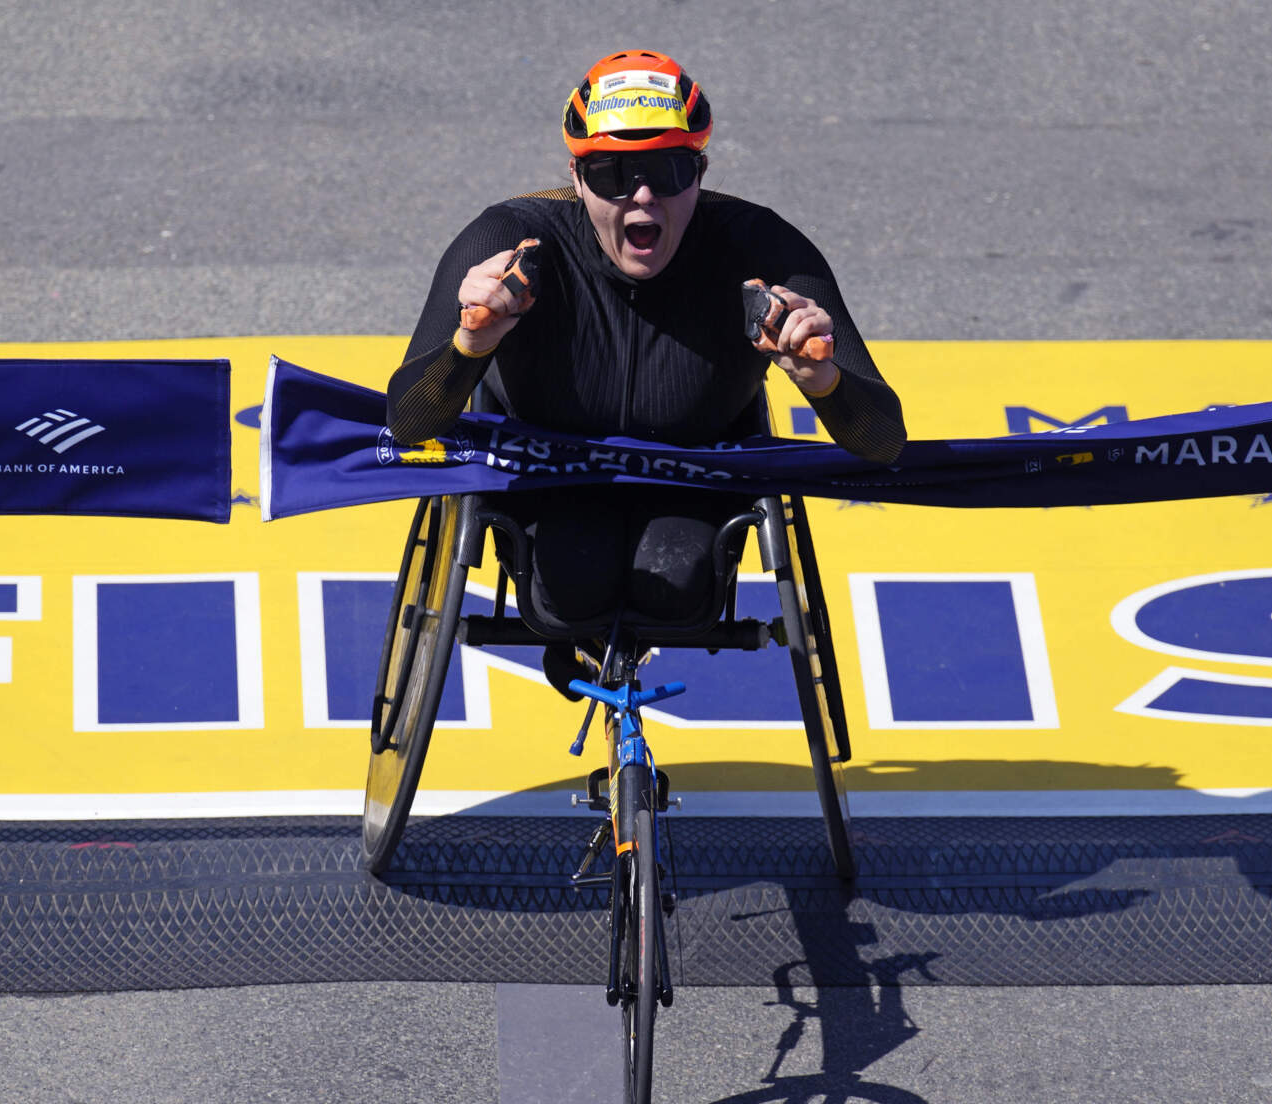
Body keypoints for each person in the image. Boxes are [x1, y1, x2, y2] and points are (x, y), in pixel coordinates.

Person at [386, 49, 905, 692]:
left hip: (693, 476)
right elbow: (408, 422)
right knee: (571, 589)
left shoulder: (764, 246)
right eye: (612, 173)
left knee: (678, 585)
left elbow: (883, 440)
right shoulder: (509, 235)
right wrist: (471, 343)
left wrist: (820, 379)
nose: (642, 196)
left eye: (668, 170)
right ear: (576, 178)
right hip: (549, 478)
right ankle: (580, 645)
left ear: (700, 172)